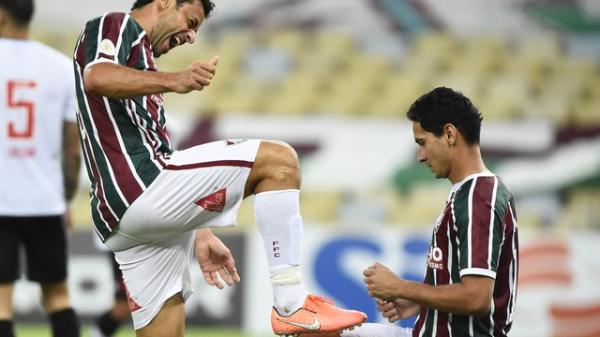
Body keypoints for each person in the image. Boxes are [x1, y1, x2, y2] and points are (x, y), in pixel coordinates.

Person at [73, 0, 366, 336]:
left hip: (125, 219)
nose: (191, 37)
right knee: (278, 159)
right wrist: (175, 79)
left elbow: (156, 149)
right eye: (191, 21)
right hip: (136, 189)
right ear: (166, 2)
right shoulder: (117, 25)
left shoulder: (145, 71)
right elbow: (96, 76)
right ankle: (290, 304)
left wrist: (199, 229)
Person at [340, 87, 519, 337]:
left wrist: (401, 287)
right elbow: (465, 289)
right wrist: (422, 304)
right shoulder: (470, 193)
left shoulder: (479, 196)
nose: (421, 156)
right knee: (330, 330)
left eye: (422, 143)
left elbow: (477, 297)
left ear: (449, 134)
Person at [0, 0, 82, 336]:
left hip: (0, 202)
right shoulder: (62, 67)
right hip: (46, 201)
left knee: (0, 303)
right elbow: (73, 152)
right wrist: (64, 200)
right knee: (59, 297)